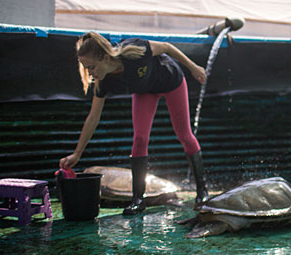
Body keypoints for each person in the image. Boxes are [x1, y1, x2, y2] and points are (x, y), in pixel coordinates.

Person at [59, 31, 208, 215]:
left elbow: (167, 47)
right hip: (144, 90)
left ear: (106, 58)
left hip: (171, 81)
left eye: (91, 67)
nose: (90, 73)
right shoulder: (102, 81)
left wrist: (194, 68)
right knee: (139, 139)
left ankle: (202, 191)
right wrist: (77, 153)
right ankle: (138, 199)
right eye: (86, 68)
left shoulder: (133, 50)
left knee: (184, 135)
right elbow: (93, 117)